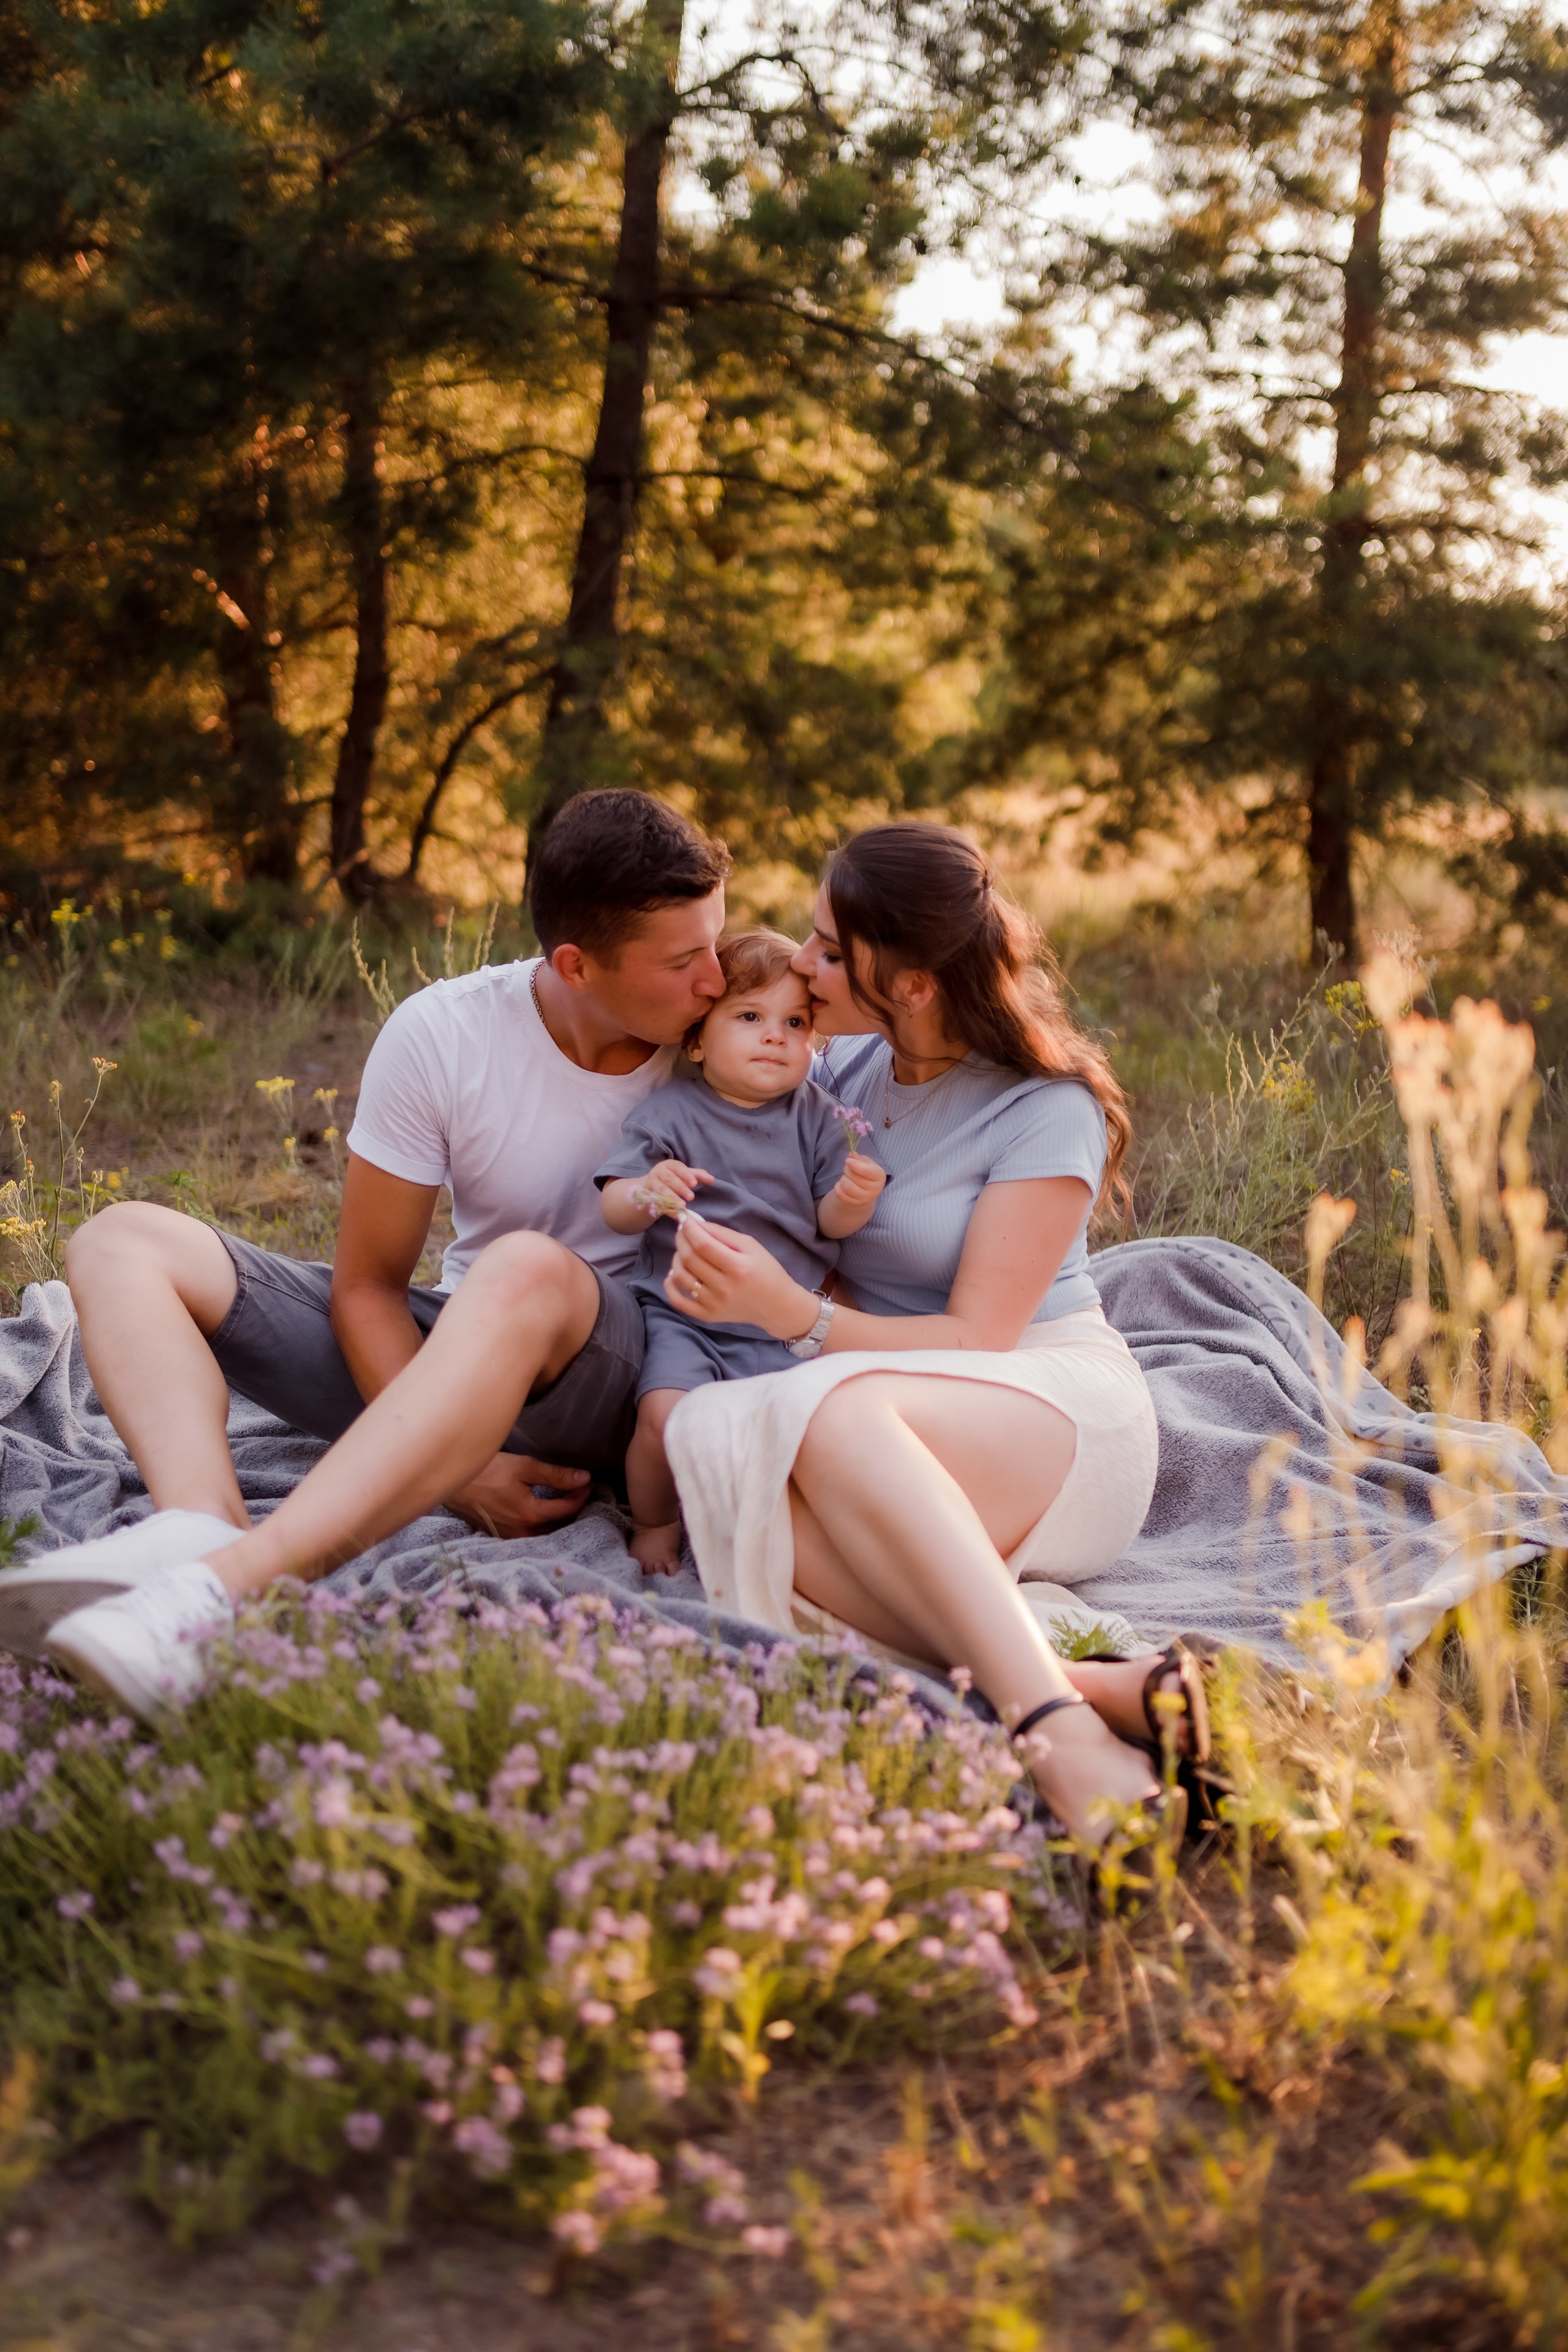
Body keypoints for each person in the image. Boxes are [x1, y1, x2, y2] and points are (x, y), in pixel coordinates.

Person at [0, 790, 729, 1685]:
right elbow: (370, 1286)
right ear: (576, 966)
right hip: (457, 1351)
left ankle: (235, 1588)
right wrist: (458, 1473)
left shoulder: (738, 1039)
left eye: (718, 943)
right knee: (120, 1241)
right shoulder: (446, 1032)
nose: (716, 980)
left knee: (525, 1270)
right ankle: (201, 1534)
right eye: (685, 961)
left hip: (628, 1377)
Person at [658, 823, 1207, 1847]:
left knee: (823, 1419)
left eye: (830, 951)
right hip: (871, 1407)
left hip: (1044, 1405)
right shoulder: (840, 1069)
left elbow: (978, 1336)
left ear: (908, 984)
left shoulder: (1048, 1107)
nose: (804, 966)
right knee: (713, 1451)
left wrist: (794, 1316)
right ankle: (1095, 1684)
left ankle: (1056, 1736)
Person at [596, 930, 887, 1574]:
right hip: (686, 1317)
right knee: (665, 1416)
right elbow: (613, 1208)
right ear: (698, 1039)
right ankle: (655, 1521)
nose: (774, 1036)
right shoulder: (671, 1113)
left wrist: (853, 1199)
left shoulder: (817, 1116)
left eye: (795, 1023)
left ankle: (769, 1528)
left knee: (800, 1433)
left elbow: (828, 1223)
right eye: (750, 1017)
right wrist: (646, 1191)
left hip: (784, 1322)